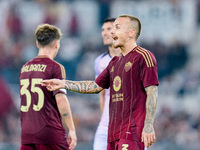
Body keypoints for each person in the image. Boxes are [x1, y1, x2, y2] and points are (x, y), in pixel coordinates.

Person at [42, 14, 159, 150]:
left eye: (117, 28)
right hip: (113, 132)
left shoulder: (144, 57)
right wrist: (63, 83)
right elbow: (94, 86)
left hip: (132, 132)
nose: (112, 32)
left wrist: (149, 125)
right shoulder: (114, 63)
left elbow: (152, 92)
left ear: (131, 33)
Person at [19, 24, 77, 150]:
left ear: (37, 44)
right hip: (49, 133)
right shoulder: (55, 67)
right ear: (57, 44)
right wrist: (71, 129)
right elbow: (61, 99)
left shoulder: (24, 68)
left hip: (27, 134)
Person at [93, 17, 121, 150]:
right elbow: (101, 93)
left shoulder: (136, 59)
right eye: (102, 30)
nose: (104, 33)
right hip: (105, 128)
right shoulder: (100, 61)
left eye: (108, 29)